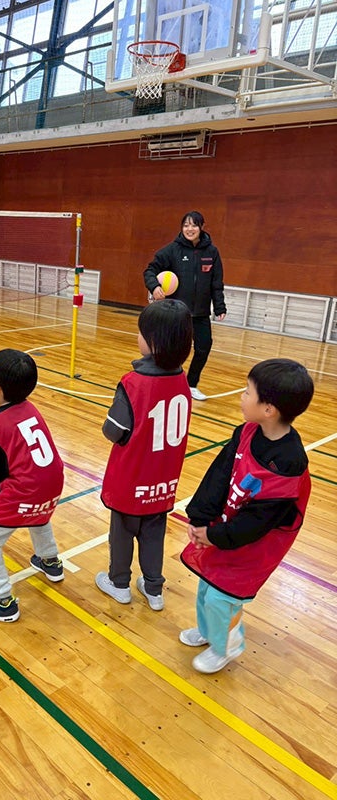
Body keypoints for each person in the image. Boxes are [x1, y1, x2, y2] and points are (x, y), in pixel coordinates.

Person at [180, 358, 314, 674]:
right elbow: (220, 474)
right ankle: (211, 631)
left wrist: (215, 536)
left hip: (255, 542)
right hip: (228, 525)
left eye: (247, 392)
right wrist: (200, 518)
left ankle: (226, 645)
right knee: (206, 584)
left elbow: (258, 523)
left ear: (269, 409)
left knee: (222, 597)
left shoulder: (289, 464)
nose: (241, 396)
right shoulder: (246, 431)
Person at [95, 299, 193, 610]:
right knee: (154, 533)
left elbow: (114, 431)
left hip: (131, 476)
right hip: (162, 479)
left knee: (122, 532)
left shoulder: (133, 383)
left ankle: (119, 583)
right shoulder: (183, 382)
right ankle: (154, 590)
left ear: (152, 342)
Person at [0, 348, 65, 622]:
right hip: (53, 483)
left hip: (27, 490)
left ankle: (3, 602)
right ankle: (50, 561)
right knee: (38, 515)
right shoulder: (31, 409)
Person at [143, 211, 226, 402]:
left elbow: (216, 282)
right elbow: (150, 270)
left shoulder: (212, 252)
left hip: (201, 313)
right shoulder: (172, 250)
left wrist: (219, 307)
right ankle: (163, 382)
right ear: (182, 228)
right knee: (170, 350)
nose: (190, 229)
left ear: (202, 227)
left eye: (194, 225)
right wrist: (154, 286)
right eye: (186, 225)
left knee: (204, 347)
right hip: (176, 312)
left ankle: (191, 385)